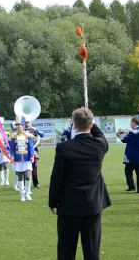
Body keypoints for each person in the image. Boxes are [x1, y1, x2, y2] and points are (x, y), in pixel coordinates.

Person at [48, 107, 111, 260]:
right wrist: (91, 122)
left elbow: (57, 177)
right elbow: (99, 134)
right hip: (93, 203)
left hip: (69, 205)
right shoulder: (100, 145)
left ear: (74, 125)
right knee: (92, 250)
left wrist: (52, 201)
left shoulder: (64, 147)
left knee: (66, 249)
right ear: (91, 124)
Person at [9, 115, 35, 201]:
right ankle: (22, 194)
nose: (17, 126)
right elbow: (12, 148)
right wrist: (12, 156)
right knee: (20, 177)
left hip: (27, 158)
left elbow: (31, 147)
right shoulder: (13, 136)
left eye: (19, 124)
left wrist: (32, 156)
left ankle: (27, 192)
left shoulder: (28, 135)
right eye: (16, 125)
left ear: (23, 125)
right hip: (18, 159)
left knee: (27, 176)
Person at [117, 117, 139, 193]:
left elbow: (124, 140)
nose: (130, 124)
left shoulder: (133, 132)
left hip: (131, 155)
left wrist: (121, 133)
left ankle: (131, 186)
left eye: (131, 122)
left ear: (134, 123)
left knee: (128, 171)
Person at [24, 120, 45, 188]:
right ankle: (24, 183)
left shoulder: (34, 130)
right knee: (25, 168)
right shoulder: (22, 131)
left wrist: (36, 130)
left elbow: (42, 135)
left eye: (28, 122)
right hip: (24, 152)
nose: (27, 124)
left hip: (34, 152)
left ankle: (36, 183)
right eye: (26, 122)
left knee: (34, 168)